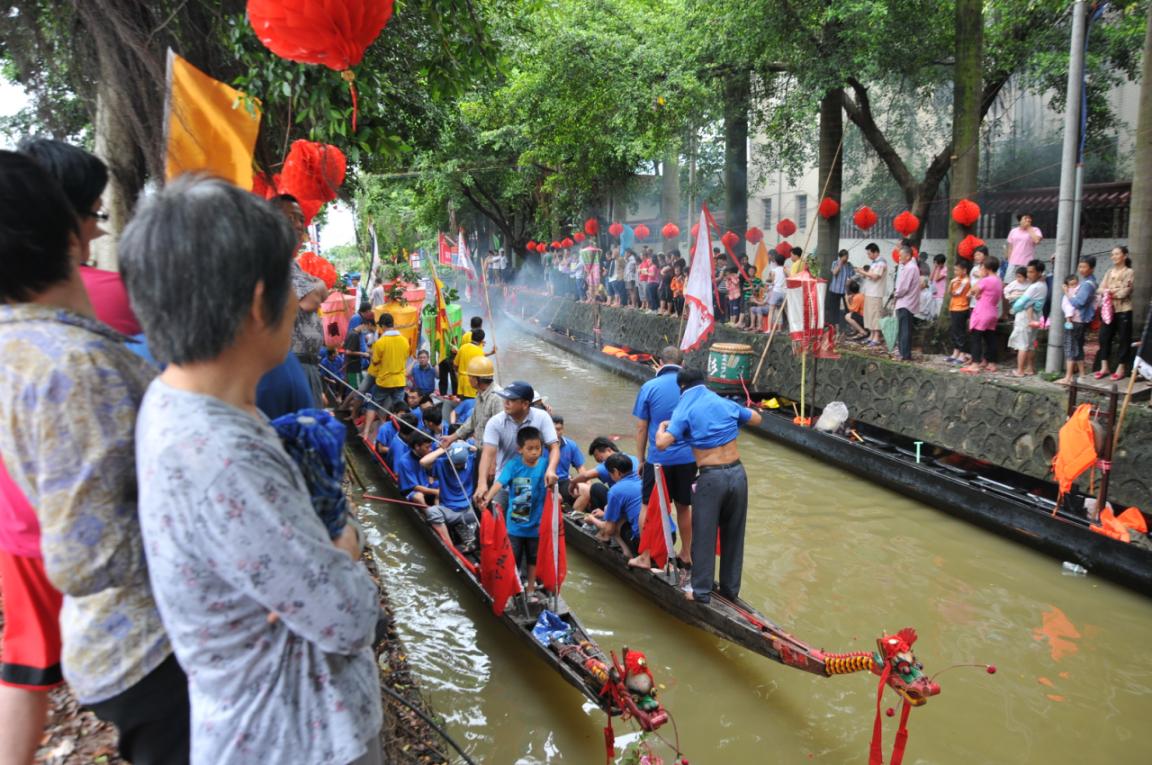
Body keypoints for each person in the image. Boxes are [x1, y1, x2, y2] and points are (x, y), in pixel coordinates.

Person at [121, 176, 381, 765]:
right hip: (299, 741)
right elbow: (349, 615)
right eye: (291, 282)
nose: (301, 300)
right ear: (260, 300)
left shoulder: (176, 400)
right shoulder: (226, 461)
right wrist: (344, 543)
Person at [0, 149, 188, 765]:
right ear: (67, 233)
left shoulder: (23, 344)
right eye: (92, 215)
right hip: (151, 646)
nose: (98, 230)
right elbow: (87, 558)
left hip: (119, 641)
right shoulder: (74, 368)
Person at [655, 369, 762, 603]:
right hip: (738, 474)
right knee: (734, 534)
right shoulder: (723, 402)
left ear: (682, 387)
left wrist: (663, 426)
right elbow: (756, 419)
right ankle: (730, 590)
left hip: (712, 477)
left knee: (704, 534)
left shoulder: (684, 408)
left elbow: (662, 444)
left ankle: (701, 592)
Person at [629, 347, 696, 570]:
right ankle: (686, 554)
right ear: (682, 363)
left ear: (660, 362)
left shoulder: (649, 387)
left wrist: (640, 459)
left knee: (648, 506)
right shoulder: (691, 389)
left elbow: (641, 428)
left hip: (658, 459)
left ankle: (646, 555)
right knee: (684, 507)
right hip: (688, 458)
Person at [481, 427, 548, 595]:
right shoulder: (513, 465)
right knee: (512, 558)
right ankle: (512, 588)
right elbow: (499, 483)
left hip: (536, 524)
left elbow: (552, 484)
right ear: (520, 449)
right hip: (515, 525)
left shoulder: (545, 465)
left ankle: (531, 588)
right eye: (530, 449)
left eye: (538, 448)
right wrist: (487, 498)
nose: (535, 452)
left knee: (533, 558)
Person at [473, 382, 560, 505]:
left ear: (525, 404)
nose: (506, 402)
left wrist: (551, 470)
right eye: (505, 398)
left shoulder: (542, 417)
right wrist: (481, 483)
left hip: (529, 482)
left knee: (521, 515)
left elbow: (554, 447)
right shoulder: (495, 422)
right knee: (498, 514)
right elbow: (487, 454)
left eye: (512, 400)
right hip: (503, 482)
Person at [420, 442, 479, 550]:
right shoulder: (442, 463)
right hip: (449, 511)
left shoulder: (471, 461)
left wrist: (467, 446)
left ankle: (475, 540)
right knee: (432, 511)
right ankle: (450, 548)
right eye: (455, 463)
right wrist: (445, 448)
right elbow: (423, 462)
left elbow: (484, 453)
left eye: (460, 464)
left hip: (470, 510)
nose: (457, 466)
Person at [583, 454, 644, 556]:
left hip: (641, 543)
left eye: (610, 473)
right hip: (667, 537)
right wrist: (605, 514)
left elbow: (609, 529)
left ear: (616, 472)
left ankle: (627, 554)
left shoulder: (616, 490)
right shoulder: (643, 481)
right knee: (608, 510)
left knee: (613, 522)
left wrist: (592, 519)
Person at [361, 313, 409, 440]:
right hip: (399, 381)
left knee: (373, 405)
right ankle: (402, 436)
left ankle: (365, 433)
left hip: (384, 381)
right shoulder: (404, 340)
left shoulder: (380, 342)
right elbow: (405, 357)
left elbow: (375, 361)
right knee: (400, 408)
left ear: (382, 326)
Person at [1094, 246, 1135, 381]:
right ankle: (1104, 367)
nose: (1114, 257)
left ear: (1124, 256)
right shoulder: (1109, 271)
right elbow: (1100, 289)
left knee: (1124, 339)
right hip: (1108, 310)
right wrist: (1113, 290)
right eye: (1112, 254)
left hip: (1124, 310)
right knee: (1104, 337)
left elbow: (1125, 292)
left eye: (1117, 254)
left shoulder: (1129, 272)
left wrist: (1109, 291)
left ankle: (1121, 368)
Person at [569, 437, 640, 515]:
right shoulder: (634, 458)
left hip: (623, 503)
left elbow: (586, 475)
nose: (602, 464)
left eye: (602, 460)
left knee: (596, 487)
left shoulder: (611, 465)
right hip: (637, 500)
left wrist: (572, 483)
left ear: (609, 450)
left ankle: (598, 517)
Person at [443, 356, 499, 447]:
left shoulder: (497, 398)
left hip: (490, 451)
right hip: (480, 448)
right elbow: (472, 421)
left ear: (476, 380)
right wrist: (451, 438)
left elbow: (500, 431)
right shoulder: (480, 394)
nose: (468, 379)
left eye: (470, 377)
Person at [1058, 257, 1098, 384]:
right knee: (1078, 347)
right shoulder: (1090, 282)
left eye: (1084, 267)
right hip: (1081, 320)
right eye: (1080, 266)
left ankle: (1068, 377)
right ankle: (1082, 374)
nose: (1081, 269)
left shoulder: (1086, 285)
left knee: (1070, 347)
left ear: (1091, 268)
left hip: (1075, 320)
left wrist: (1067, 293)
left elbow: (1079, 303)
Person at [963, 255, 1004, 374]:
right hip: (993, 311)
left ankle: (975, 364)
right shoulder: (999, 280)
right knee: (990, 338)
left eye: (982, 267)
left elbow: (971, 291)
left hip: (982, 311)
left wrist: (981, 278)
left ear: (987, 268)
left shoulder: (986, 280)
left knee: (976, 337)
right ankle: (991, 363)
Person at [1009, 260, 1048, 377]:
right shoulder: (1043, 285)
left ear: (1039, 272)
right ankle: (1030, 368)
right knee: (1030, 344)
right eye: (1028, 272)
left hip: (1025, 318)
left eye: (1031, 272)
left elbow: (1019, 304)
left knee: (1022, 344)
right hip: (1035, 316)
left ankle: (1020, 370)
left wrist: (1013, 308)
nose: (1028, 274)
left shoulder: (1034, 287)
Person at [892, 245, 920, 361]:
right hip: (905, 302)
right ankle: (903, 353)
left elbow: (904, 288)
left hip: (906, 303)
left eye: (901, 256)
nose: (899, 258)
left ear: (908, 256)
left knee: (904, 330)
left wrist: (896, 294)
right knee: (903, 329)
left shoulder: (910, 268)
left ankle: (905, 355)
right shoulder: (909, 267)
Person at [551, 415, 585, 501]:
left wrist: (589, 485)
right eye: (553, 429)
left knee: (585, 491)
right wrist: (552, 491)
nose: (555, 432)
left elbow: (580, 468)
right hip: (546, 483)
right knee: (555, 498)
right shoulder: (540, 447)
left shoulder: (571, 445)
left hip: (564, 481)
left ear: (563, 429)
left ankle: (574, 510)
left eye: (558, 429)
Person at [860, 243, 887, 347]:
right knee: (869, 314)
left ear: (875, 252)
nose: (868, 256)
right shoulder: (874, 263)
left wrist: (863, 272)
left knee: (875, 315)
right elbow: (870, 275)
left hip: (876, 293)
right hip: (870, 292)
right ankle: (871, 335)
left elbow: (875, 276)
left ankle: (876, 337)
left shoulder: (881, 262)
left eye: (869, 253)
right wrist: (863, 272)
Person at [945, 259, 972, 364]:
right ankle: (956, 351)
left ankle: (963, 354)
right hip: (954, 307)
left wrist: (953, 282)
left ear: (964, 270)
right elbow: (949, 292)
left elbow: (956, 292)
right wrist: (952, 282)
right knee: (954, 331)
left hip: (961, 308)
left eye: (957, 270)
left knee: (960, 332)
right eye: (954, 270)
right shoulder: (956, 280)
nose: (955, 272)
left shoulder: (965, 281)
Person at [1005, 212, 1043, 277]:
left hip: (1027, 263)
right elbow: (1010, 247)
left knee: (1025, 282)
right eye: (1025, 218)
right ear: (1020, 221)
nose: (1028, 220)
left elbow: (1037, 240)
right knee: (1009, 281)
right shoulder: (1013, 231)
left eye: (1029, 218)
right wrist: (1009, 260)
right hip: (1013, 263)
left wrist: (1029, 228)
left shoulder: (1035, 230)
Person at [454, 328, 487, 400]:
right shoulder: (480, 352)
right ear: (481, 340)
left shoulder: (462, 348)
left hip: (461, 382)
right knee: (471, 404)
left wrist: (458, 376)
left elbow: (455, 365)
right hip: (472, 384)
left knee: (463, 402)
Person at [826, 249, 854, 330]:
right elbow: (834, 273)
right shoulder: (835, 263)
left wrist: (850, 280)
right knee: (833, 308)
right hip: (835, 290)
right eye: (845, 257)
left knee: (848, 308)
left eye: (847, 256)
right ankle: (833, 325)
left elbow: (853, 275)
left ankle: (848, 325)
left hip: (845, 291)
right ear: (841, 257)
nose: (847, 258)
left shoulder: (849, 265)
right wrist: (840, 264)